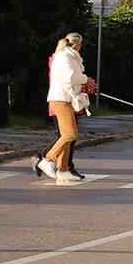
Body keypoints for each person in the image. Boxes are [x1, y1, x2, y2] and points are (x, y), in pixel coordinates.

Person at [36, 33, 95, 184]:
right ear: (77, 45)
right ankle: (47, 159)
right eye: (81, 45)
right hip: (60, 99)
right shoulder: (65, 57)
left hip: (65, 99)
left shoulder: (65, 55)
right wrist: (85, 79)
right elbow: (70, 77)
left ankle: (63, 170)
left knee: (67, 135)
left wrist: (83, 84)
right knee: (70, 134)